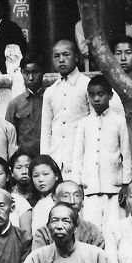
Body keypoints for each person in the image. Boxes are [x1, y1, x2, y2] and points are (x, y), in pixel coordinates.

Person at [72, 74, 131, 231]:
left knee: (115, 230)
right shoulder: (84, 124)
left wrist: (125, 184)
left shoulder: (119, 122)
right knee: (92, 230)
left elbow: (126, 155)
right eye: (92, 95)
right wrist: (77, 184)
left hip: (114, 188)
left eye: (100, 94)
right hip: (89, 189)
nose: (96, 99)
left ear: (110, 95)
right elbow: (78, 156)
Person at [41, 39, 90, 176]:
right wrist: (45, 163)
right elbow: (46, 131)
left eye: (66, 54)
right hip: (56, 160)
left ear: (76, 57)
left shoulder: (87, 85)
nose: (61, 60)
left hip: (81, 159)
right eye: (56, 56)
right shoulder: (50, 91)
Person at [31, 180, 104, 249]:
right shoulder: (43, 233)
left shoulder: (91, 230)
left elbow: (99, 256)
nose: (72, 201)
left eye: (76, 195)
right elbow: (38, 257)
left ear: (82, 200)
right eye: (66, 196)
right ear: (54, 199)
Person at [4, 53, 45, 155]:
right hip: (24, 159)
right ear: (21, 73)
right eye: (26, 73)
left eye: (35, 72)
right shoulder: (15, 104)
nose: (31, 78)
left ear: (43, 72)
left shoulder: (51, 99)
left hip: (48, 157)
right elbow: (9, 138)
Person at [29, 155, 63, 234]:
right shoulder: (31, 203)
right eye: (36, 176)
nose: (40, 179)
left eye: (45, 174)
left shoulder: (62, 201)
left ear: (56, 176)